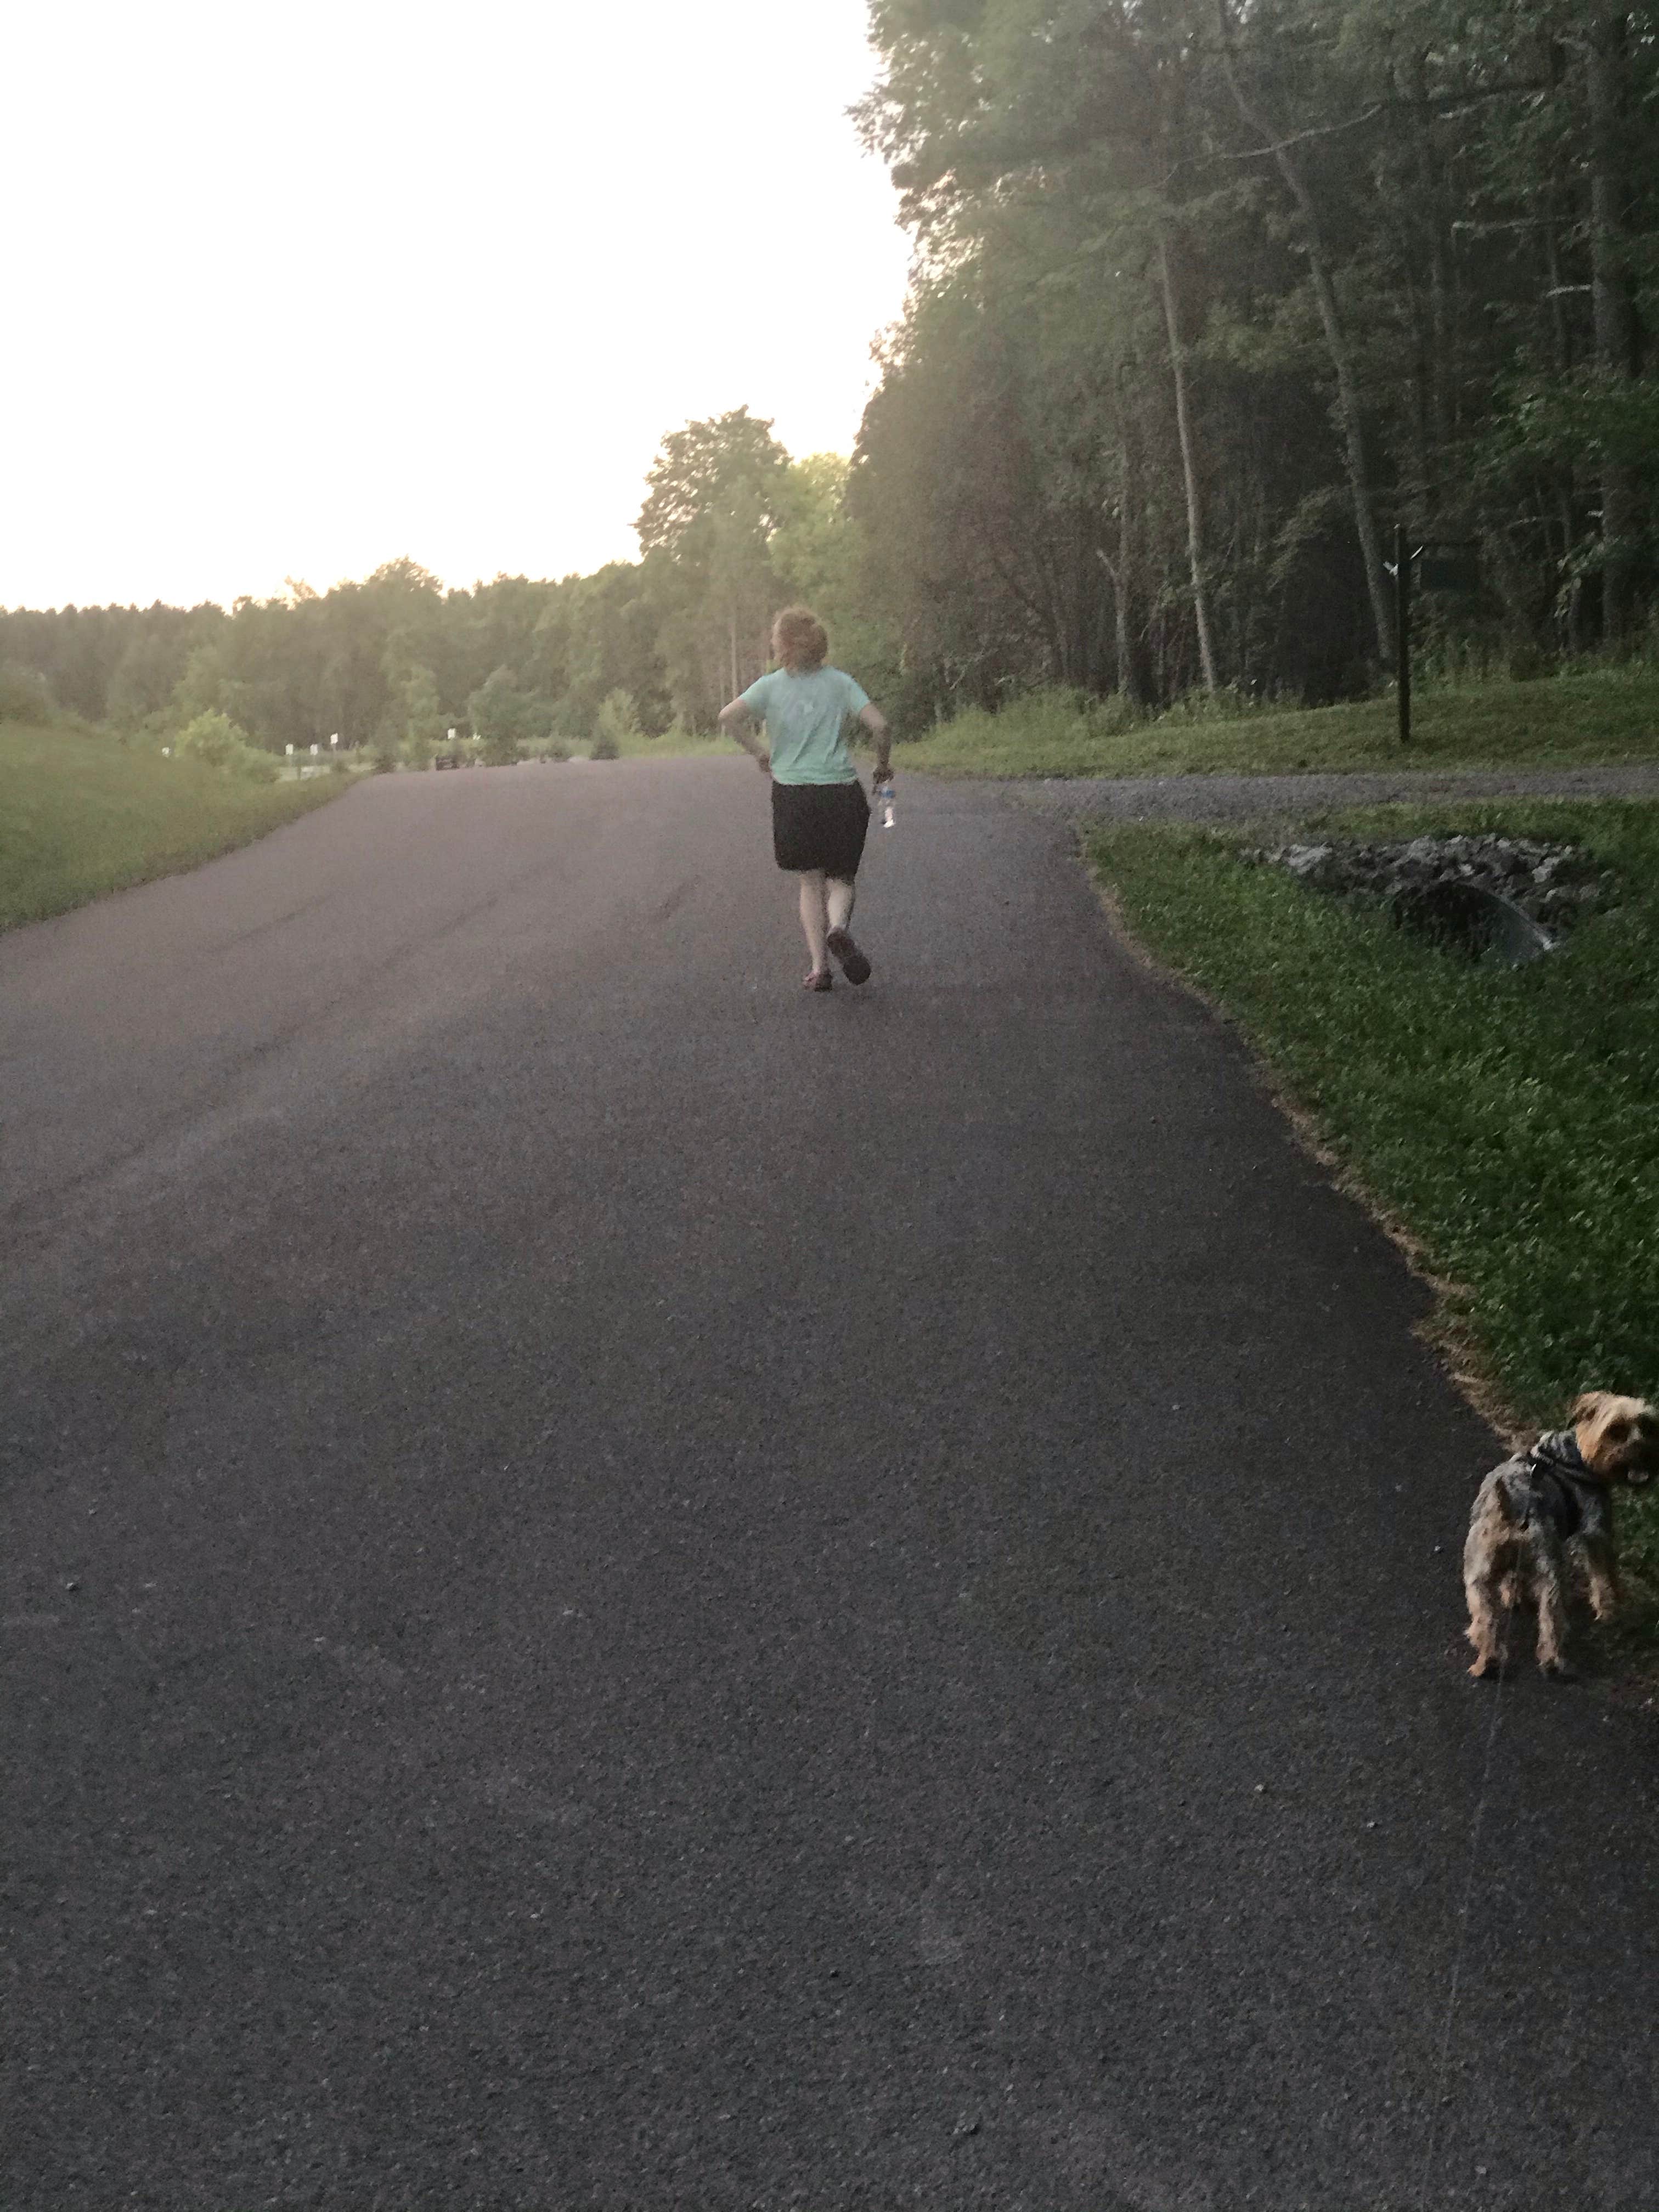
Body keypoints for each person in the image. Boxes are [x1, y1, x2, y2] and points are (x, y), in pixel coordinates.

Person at [718, 606, 892, 992]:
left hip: (794, 796)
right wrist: (882, 766)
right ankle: (839, 927)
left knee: (809, 882)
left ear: (783, 644)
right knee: (841, 878)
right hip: (841, 793)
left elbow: (728, 716)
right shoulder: (841, 683)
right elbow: (880, 726)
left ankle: (820, 969)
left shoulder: (770, 687)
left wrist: (760, 753)